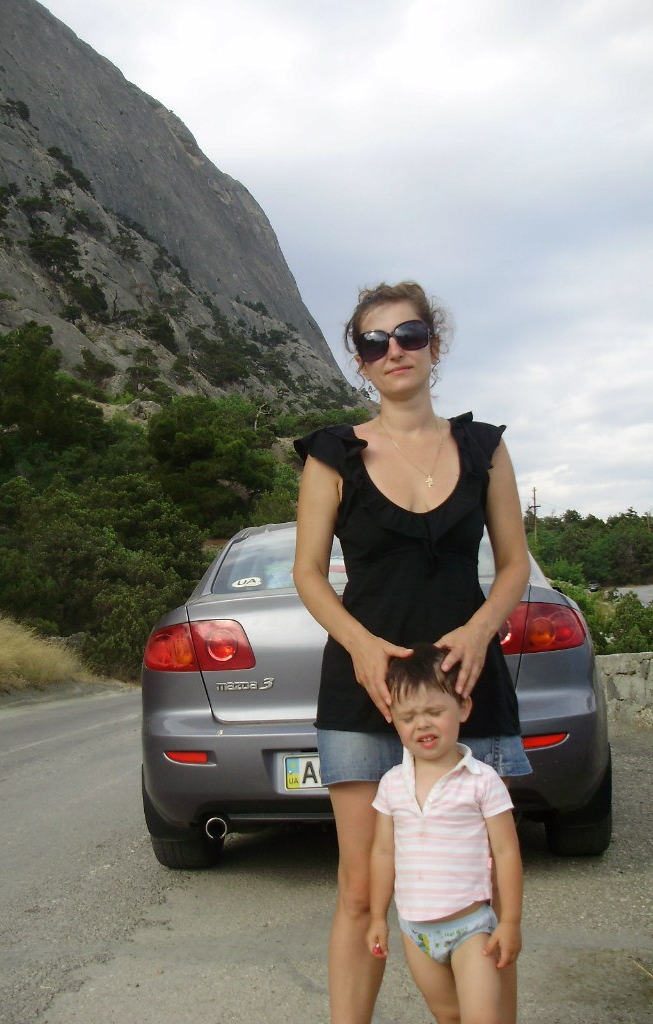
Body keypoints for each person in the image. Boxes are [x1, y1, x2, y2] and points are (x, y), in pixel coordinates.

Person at [292, 281, 532, 1024]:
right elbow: (308, 573)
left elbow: (514, 565)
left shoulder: (484, 448)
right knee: (362, 888)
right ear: (360, 361)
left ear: (435, 344)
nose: (393, 350)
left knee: (479, 889)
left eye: (409, 335)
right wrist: (363, 647)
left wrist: (480, 630)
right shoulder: (333, 454)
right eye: (374, 342)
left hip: (465, 687)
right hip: (365, 691)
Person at [367, 644, 523, 1024]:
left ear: (463, 708)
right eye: (408, 717)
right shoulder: (392, 784)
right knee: (447, 1014)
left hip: (471, 929)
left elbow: (506, 852)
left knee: (482, 1016)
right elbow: (383, 853)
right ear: (393, 719)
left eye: (435, 712)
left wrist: (510, 922)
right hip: (415, 931)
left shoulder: (482, 781)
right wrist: (377, 917)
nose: (422, 724)